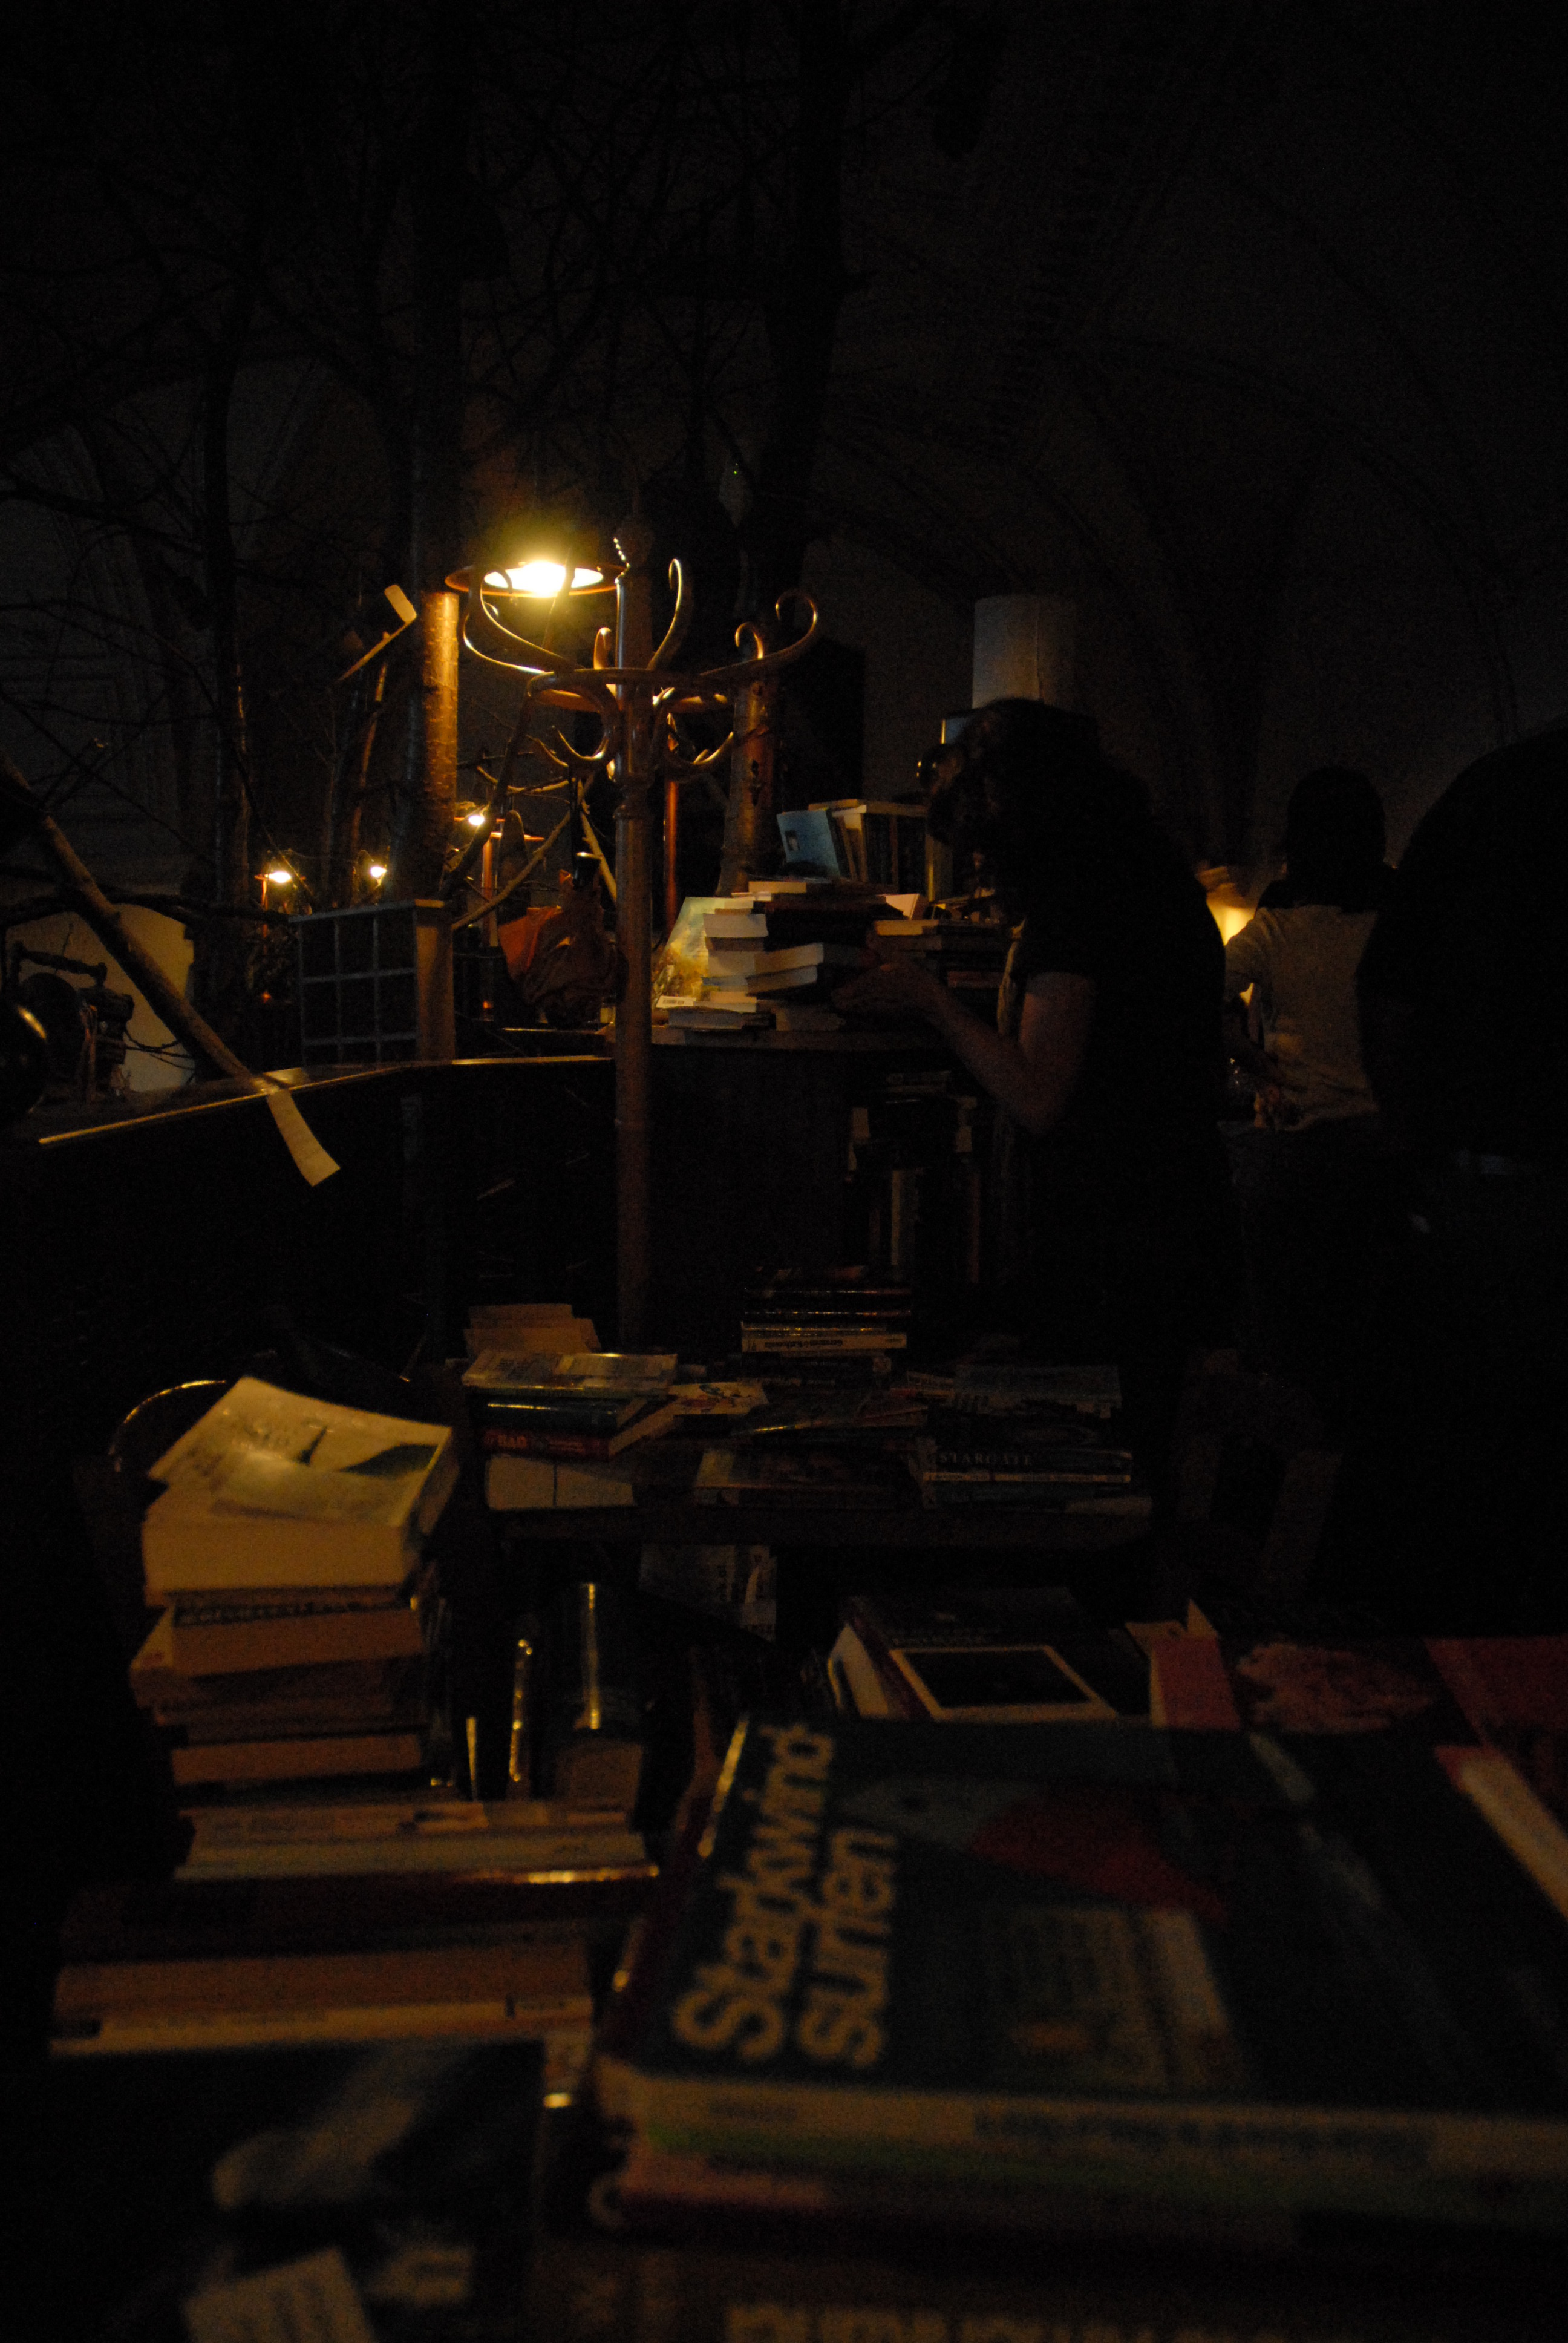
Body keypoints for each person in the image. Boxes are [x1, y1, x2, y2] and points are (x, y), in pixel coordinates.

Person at [835, 699, 1235, 1495]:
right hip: (1176, 1220)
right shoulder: (1153, 879)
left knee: (1095, 1483)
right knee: (1142, 1468)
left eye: (986, 848)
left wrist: (930, 1001)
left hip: (1115, 1242)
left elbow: (1039, 1093)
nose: (983, 871)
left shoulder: (1081, 904)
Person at [1312, 729, 1568, 1633]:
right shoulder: (1507, 791)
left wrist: (1418, 1146)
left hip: (1478, 1194)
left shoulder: (1501, 789)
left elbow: (1392, 989)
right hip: (1489, 1194)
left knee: (1451, 1517)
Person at [1221, 767, 1397, 1420]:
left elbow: (1198, 992)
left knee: (1286, 1328)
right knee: (1364, 1328)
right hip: (1383, 1151)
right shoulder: (1396, 924)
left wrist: (1257, 1064)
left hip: (1295, 1147)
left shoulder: (1279, 929)